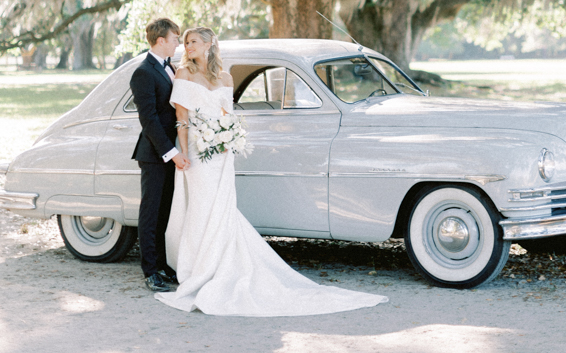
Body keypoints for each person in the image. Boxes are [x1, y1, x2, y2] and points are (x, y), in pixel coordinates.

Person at [156, 26, 387, 316]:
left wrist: (230, 138)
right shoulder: (184, 74)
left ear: (208, 45)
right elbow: (182, 116)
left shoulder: (225, 77)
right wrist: (184, 154)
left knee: (222, 209)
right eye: (185, 42)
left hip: (222, 155)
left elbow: (228, 115)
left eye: (192, 42)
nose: (187, 47)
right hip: (197, 154)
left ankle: (220, 263)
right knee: (201, 208)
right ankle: (200, 267)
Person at [130, 18, 190, 293]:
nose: (179, 43)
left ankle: (164, 264)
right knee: (151, 212)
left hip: (172, 150)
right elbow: (150, 120)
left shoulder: (170, 67)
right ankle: (150, 270)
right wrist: (171, 153)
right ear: (161, 40)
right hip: (155, 153)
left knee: (166, 212)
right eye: (175, 38)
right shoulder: (143, 72)